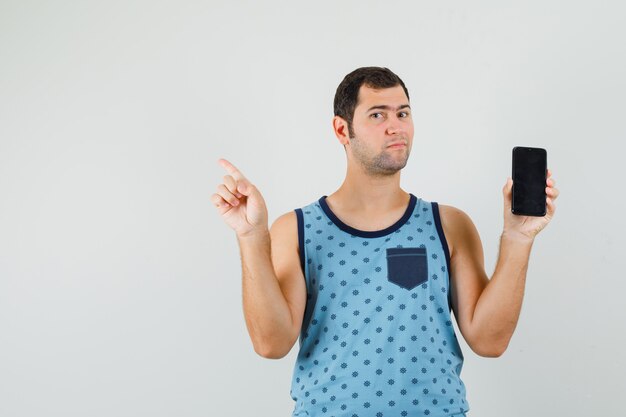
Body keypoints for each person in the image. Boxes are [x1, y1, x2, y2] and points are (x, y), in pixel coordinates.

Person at [211, 66, 559, 417]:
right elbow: (271, 343)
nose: (396, 126)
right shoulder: (297, 229)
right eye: (377, 114)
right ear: (341, 130)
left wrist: (518, 237)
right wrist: (251, 236)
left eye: (403, 113)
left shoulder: (449, 225)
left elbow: (490, 340)